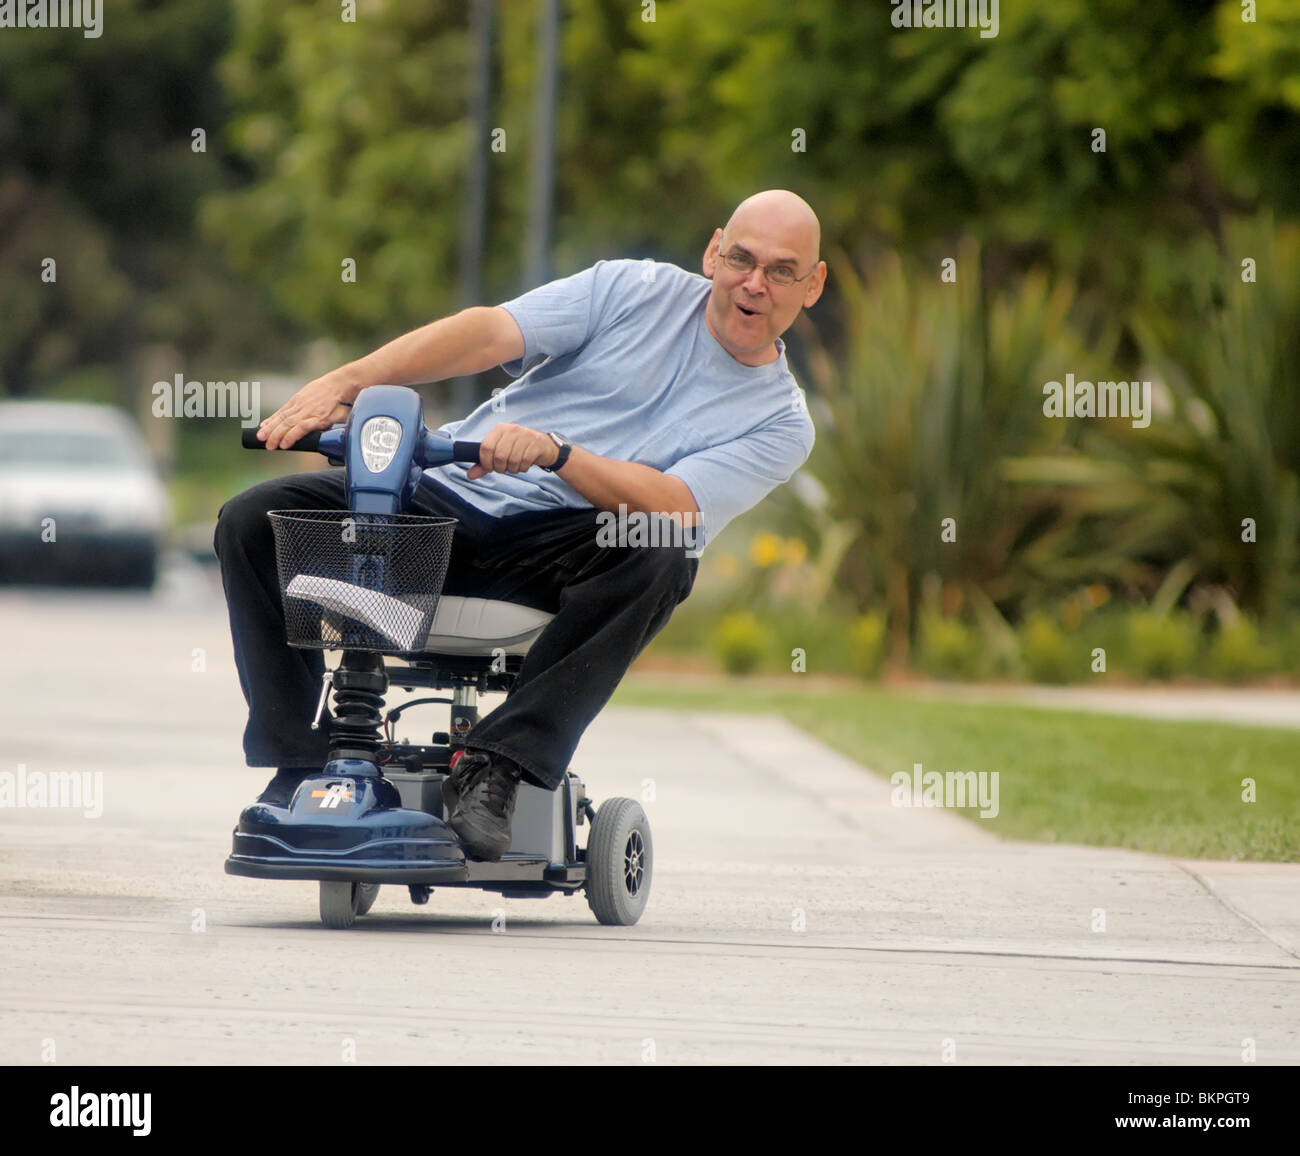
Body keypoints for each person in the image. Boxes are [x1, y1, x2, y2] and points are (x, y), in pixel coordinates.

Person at [213, 188, 826, 860]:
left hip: (563, 553)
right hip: (446, 500)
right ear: (714, 253)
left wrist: (558, 455)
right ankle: (297, 764)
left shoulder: (781, 421)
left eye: (781, 270)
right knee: (252, 521)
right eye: (742, 258)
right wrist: (350, 382)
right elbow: (490, 332)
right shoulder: (631, 287)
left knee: (664, 549)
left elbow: (677, 501)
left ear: (812, 285)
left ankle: (495, 769)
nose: (754, 283)